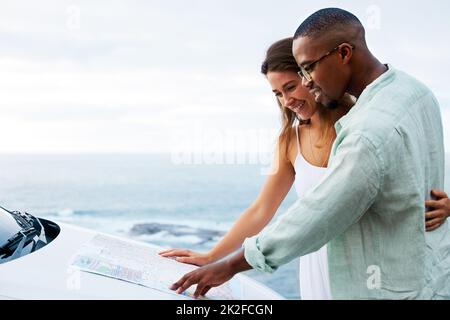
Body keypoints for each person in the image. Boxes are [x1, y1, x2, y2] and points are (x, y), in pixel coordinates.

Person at [162, 25, 450, 299]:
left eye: (291, 86)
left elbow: (419, 164)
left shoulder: (363, 125)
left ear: (309, 76)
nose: (286, 100)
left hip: (362, 265)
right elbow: (262, 208)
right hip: (315, 261)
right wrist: (213, 255)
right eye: (277, 93)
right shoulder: (290, 140)